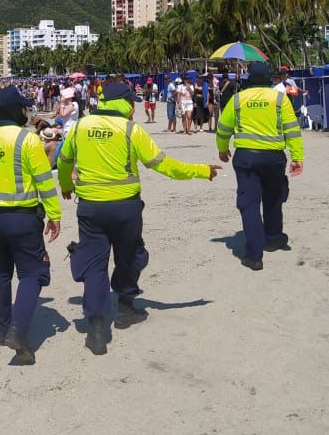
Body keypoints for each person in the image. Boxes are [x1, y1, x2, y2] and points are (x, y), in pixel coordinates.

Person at [58, 81, 219, 356]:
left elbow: (63, 161)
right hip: (125, 208)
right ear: (123, 104)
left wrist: (65, 185)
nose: (134, 107)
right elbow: (164, 166)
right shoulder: (131, 130)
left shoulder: (80, 127)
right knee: (130, 256)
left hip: (90, 208)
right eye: (131, 102)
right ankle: (125, 308)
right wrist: (201, 170)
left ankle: (96, 330)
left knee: (95, 265)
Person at [0, 85, 61, 365]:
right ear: (16, 110)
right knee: (33, 273)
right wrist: (54, 215)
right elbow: (44, 181)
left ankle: (4, 328)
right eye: (23, 107)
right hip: (23, 218)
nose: (26, 111)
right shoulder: (27, 140)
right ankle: (17, 331)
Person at [216, 61, 304, 272]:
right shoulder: (280, 99)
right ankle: (272, 238)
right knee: (273, 199)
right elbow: (292, 129)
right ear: (269, 79)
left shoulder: (238, 99)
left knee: (249, 204)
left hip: (246, 158)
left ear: (249, 78)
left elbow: (223, 127)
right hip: (274, 158)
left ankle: (254, 256)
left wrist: (223, 149)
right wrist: (297, 157)